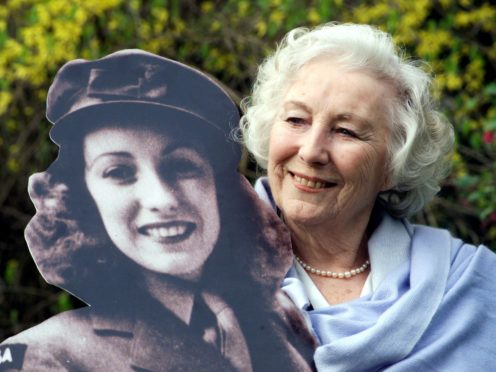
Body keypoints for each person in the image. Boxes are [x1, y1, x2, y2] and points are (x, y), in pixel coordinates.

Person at [0, 50, 316, 371]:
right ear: (84, 200)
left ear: (218, 189)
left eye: (181, 166)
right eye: (119, 172)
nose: (162, 198)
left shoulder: (281, 319)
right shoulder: (45, 356)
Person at [240, 23, 496, 371]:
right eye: (297, 119)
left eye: (346, 131)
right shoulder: (201, 267)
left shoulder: (472, 286)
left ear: (393, 165)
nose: (312, 151)